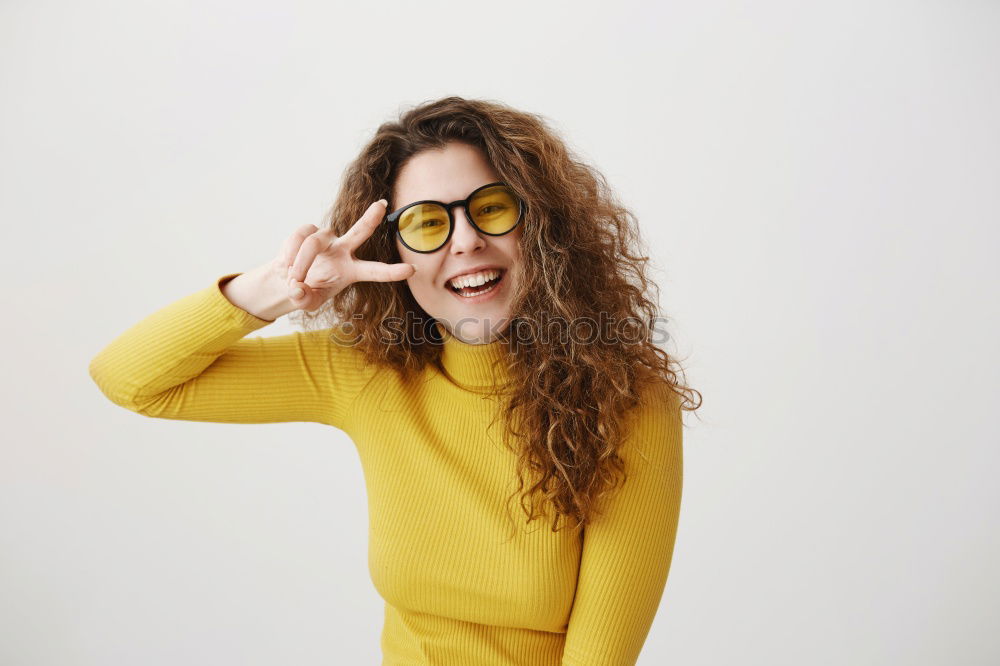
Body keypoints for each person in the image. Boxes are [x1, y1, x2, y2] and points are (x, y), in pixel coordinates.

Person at [89, 96, 702, 666]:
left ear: (542, 228)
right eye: (429, 224)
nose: (466, 241)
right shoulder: (365, 371)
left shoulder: (627, 399)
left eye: (491, 208)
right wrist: (280, 289)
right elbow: (130, 379)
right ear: (391, 253)